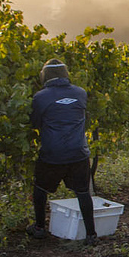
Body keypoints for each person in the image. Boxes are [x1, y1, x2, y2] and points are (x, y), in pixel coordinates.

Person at [27, 59, 96, 244]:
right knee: (83, 193)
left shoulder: (40, 97)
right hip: (78, 153)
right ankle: (91, 235)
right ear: (66, 74)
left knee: (40, 189)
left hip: (53, 154)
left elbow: (34, 123)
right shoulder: (80, 93)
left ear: (45, 76)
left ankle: (40, 228)